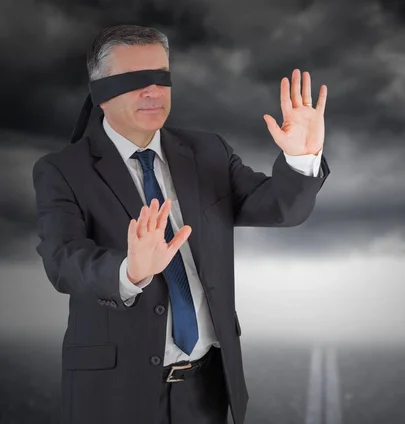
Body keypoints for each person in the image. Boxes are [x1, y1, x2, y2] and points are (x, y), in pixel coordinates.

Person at [32, 24, 330, 424]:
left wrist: (302, 159)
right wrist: (130, 270)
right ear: (99, 92)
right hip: (114, 394)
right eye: (135, 80)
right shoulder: (62, 170)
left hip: (205, 391)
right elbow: (62, 259)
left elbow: (279, 209)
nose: (153, 91)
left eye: (161, 77)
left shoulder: (208, 151)